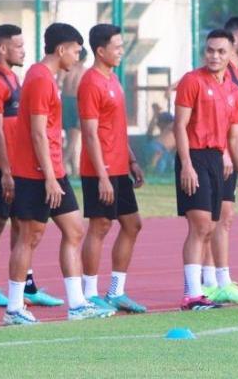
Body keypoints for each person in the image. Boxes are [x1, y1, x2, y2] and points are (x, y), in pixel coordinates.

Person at [4, 23, 115, 325]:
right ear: (61, 49)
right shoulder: (40, 79)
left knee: (75, 229)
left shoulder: (48, 79)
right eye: (77, 52)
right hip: (37, 173)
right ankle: (14, 308)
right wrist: (50, 177)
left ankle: (77, 303)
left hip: (53, 170)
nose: (78, 59)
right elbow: (38, 133)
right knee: (30, 236)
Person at [0, 24, 62, 308]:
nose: (24, 51)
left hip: (19, 165)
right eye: (19, 46)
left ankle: (26, 284)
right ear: (3, 48)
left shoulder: (15, 78)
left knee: (21, 224)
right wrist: (5, 171)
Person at [174, 29, 238, 310]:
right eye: (210, 50)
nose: (214, 56)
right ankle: (191, 293)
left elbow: (235, 137)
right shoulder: (192, 81)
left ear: (231, 54)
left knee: (212, 227)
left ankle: (202, 289)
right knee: (201, 225)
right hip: (194, 156)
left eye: (220, 51)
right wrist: (186, 164)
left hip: (218, 159)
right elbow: (179, 125)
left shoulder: (233, 91)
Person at [79, 24, 147, 314]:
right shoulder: (90, 83)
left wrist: (131, 159)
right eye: (117, 47)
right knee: (100, 226)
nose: (121, 51)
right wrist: (103, 176)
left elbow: (116, 126)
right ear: (100, 50)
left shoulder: (114, 79)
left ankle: (116, 292)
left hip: (120, 166)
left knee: (133, 224)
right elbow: (91, 133)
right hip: (100, 170)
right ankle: (89, 294)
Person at [200, 17, 238, 305]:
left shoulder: (236, 76)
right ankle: (212, 280)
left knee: (222, 217)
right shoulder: (225, 75)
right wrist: (224, 153)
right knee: (216, 219)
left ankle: (213, 278)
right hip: (213, 156)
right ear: (234, 42)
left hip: (225, 153)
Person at [61, 47, 87, 176]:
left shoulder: (67, 68)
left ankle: (74, 170)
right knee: (73, 139)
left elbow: (58, 83)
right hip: (77, 102)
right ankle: (62, 164)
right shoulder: (84, 71)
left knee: (71, 137)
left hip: (65, 101)